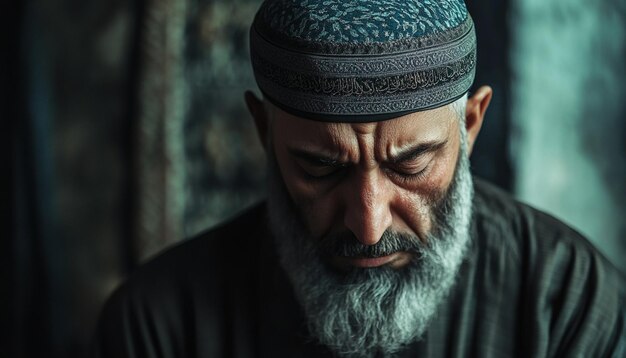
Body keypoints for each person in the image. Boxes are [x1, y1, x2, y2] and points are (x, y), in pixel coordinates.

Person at [92, 0, 625, 357]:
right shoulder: (156, 328)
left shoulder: (570, 305)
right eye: (320, 167)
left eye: (411, 164)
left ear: (470, 125)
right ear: (263, 131)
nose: (368, 224)